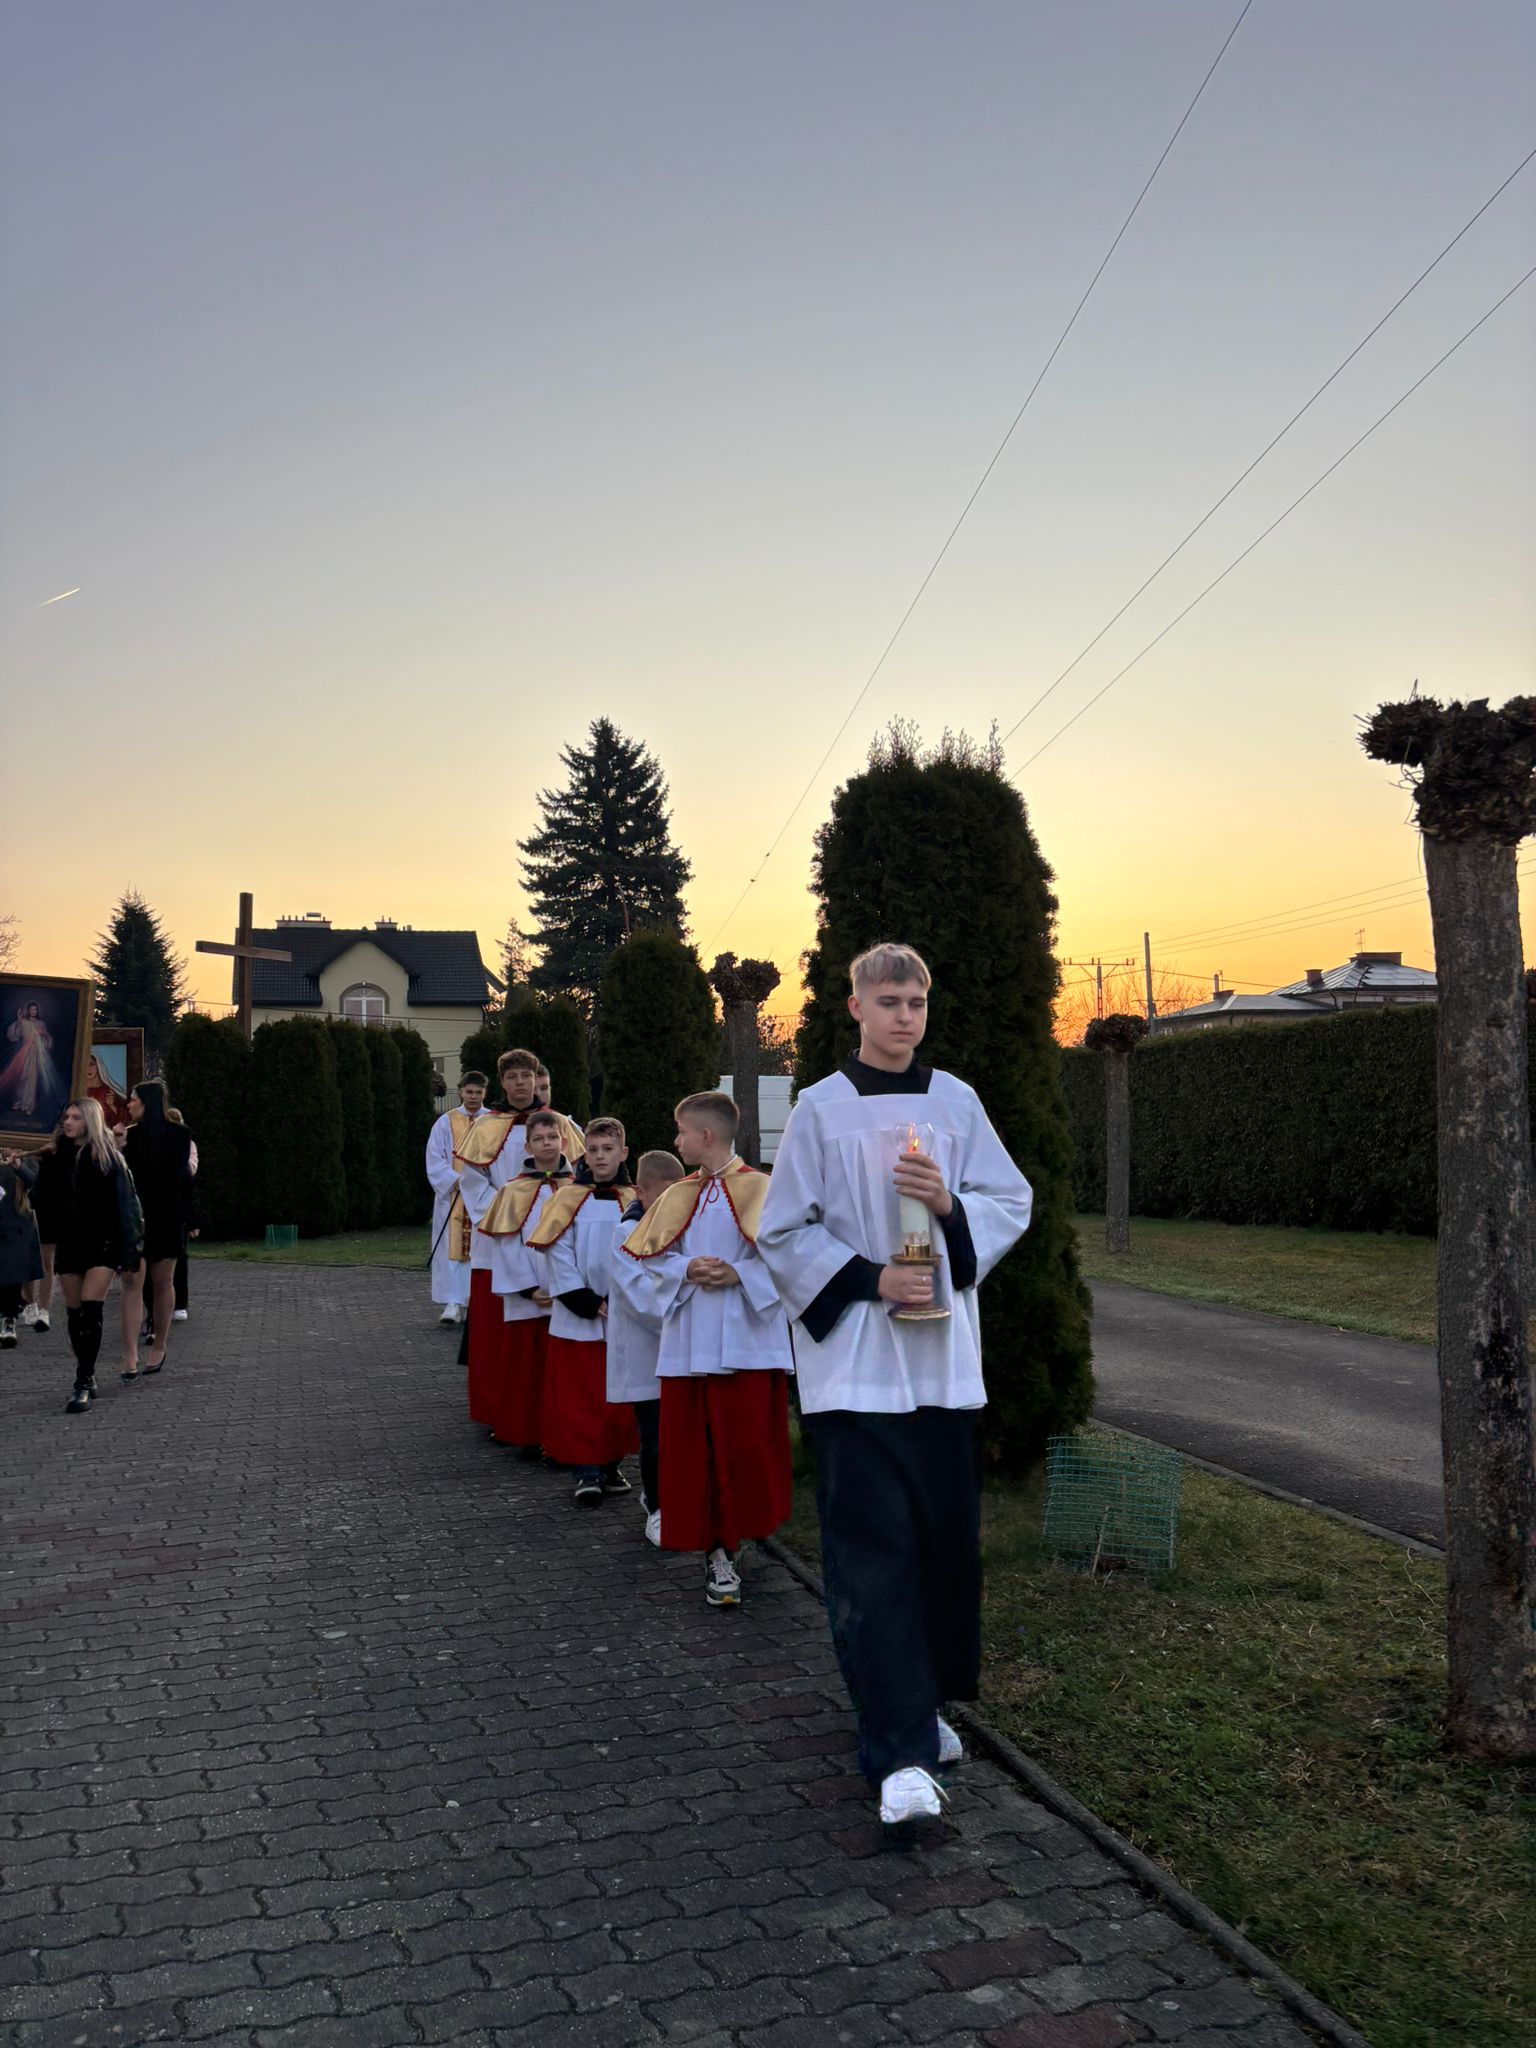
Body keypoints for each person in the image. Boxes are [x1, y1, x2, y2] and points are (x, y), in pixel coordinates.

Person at [758, 941, 1033, 1832]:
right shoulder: (820, 1108)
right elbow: (782, 1229)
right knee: (874, 1563)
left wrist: (949, 1208)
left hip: (943, 1367)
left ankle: (918, 1708)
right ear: (855, 1009)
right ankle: (900, 1757)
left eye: (915, 1001)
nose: (904, 1016)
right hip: (856, 1373)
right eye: (888, 1001)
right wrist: (873, 1279)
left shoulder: (956, 1102)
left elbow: (1011, 1200)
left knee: (943, 1552)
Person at [619, 1092, 793, 1609]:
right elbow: (652, 1256)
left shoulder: (764, 1189)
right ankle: (715, 1551)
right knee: (697, 1452)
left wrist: (740, 1273)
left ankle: (742, 1535)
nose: (676, 1141)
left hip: (747, 1342)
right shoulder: (678, 1194)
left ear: (707, 1135)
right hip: (691, 1343)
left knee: (745, 1449)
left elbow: (791, 1258)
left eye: (681, 1132)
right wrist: (686, 1268)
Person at [527, 1116, 637, 1506]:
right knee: (580, 1397)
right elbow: (558, 1254)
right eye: (593, 1150)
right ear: (583, 1154)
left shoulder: (636, 1200)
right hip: (579, 1315)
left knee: (618, 1396)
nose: (600, 1156)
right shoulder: (566, 1200)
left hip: (625, 1313)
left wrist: (626, 1299)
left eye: (608, 1149)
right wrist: (585, 1300)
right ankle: (586, 1468)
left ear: (623, 1152)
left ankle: (610, 1463)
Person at [479, 1109, 572, 1451]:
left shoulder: (577, 1189)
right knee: (527, 1371)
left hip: (568, 1296)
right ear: (528, 1147)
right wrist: (529, 1289)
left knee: (563, 1372)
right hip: (528, 1298)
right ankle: (527, 1435)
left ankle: (560, 1437)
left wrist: (568, 1287)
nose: (547, 1144)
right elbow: (506, 1245)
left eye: (552, 1137)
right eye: (538, 1139)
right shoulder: (512, 1191)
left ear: (563, 1141)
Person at [607, 1149, 686, 1545]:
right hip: (647, 1350)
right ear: (641, 1192)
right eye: (663, 1195)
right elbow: (641, 1298)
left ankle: (670, 1496)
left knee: (678, 1434)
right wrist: (689, 1314)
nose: (671, 1203)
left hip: (682, 1350)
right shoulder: (626, 1234)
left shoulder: (684, 1227)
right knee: (654, 1435)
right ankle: (656, 1509)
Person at [51, 1098, 141, 1413]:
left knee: (91, 1308)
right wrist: (22, 1169)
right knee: (75, 1313)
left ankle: (83, 1380)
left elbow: (128, 1206)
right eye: (66, 1116)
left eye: (75, 1117)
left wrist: (130, 1251)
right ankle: (86, 1370)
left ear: (90, 1120)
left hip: (102, 1241)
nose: (68, 1122)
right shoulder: (57, 1157)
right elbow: (41, 1197)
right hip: (70, 1241)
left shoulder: (108, 1158)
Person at [119, 1081, 195, 1379]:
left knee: (162, 1282)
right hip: (136, 1217)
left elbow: (181, 1178)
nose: (129, 1105)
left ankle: (160, 1344)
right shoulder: (129, 1136)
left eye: (133, 1100)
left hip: (166, 1216)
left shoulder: (179, 1134)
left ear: (147, 1102)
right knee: (132, 1281)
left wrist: (191, 1217)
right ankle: (130, 1354)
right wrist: (118, 1146)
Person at [424, 1071, 487, 1326]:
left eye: (478, 1092)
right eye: (469, 1092)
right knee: (451, 1248)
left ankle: (477, 1301)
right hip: (453, 1195)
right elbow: (434, 1157)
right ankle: (453, 1301)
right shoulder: (445, 1122)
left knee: (480, 1249)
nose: (473, 1097)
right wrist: (455, 1180)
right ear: (461, 1092)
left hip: (483, 1197)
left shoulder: (492, 1122)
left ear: (484, 1093)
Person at [0, 1155, 44, 1348]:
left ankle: (9, 1319)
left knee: (11, 1276)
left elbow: (36, 1184)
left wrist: (18, 1166)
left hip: (16, 1227)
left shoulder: (25, 1158)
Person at [0, 1001, 64, 1122]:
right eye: (31, 1009)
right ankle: (18, 1102)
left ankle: (28, 1106)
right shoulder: (23, 1022)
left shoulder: (41, 1024)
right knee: (21, 1077)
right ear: (28, 1010)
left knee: (32, 1079)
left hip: (36, 1054)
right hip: (24, 1052)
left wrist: (44, 1034)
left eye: (35, 1009)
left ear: (37, 1011)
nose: (33, 1011)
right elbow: (13, 1036)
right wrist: (19, 1021)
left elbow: (47, 1042)